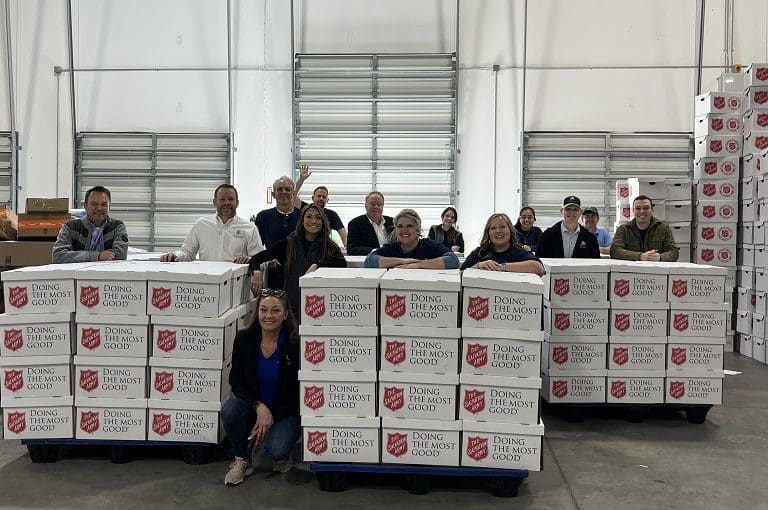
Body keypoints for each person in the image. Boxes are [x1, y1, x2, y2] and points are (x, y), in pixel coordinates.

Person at [220, 289, 300, 485]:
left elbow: (298, 393)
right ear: (257, 312)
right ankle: (242, 459)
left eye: (276, 310)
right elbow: (236, 383)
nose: (268, 316)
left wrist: (271, 417)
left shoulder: (295, 343)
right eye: (263, 310)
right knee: (230, 409)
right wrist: (259, 407)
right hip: (254, 407)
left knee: (276, 450)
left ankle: (281, 452)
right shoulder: (244, 339)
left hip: (285, 412)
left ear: (286, 314)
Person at [248, 204, 346, 318]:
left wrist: (318, 265)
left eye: (318, 217)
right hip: (292, 307)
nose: (313, 221)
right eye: (309, 217)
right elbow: (256, 258)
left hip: (319, 307)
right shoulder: (289, 243)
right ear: (302, 221)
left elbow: (342, 264)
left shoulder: (330, 246)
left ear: (323, 222)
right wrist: (257, 272)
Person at [160, 184, 263, 263]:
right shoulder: (201, 224)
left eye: (231, 199)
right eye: (222, 199)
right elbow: (187, 252)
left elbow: (261, 259)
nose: (226, 202)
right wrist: (175, 256)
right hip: (207, 281)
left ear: (237, 203)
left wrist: (249, 260)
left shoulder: (250, 228)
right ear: (214, 202)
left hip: (236, 282)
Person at [52, 185, 129, 263]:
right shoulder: (70, 227)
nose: (99, 208)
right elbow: (58, 256)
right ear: (85, 206)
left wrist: (77, 257)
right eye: (94, 204)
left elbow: (121, 254)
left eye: (104, 204)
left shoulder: (117, 227)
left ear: (109, 207)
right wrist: (97, 256)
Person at [364, 208, 460, 269]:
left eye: (409, 226)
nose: (404, 230)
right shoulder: (391, 248)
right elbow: (369, 261)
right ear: (395, 230)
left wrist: (418, 264)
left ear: (417, 229)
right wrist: (403, 261)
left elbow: (453, 260)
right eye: (400, 226)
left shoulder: (428, 245)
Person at [460, 213, 545, 275]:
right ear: (488, 233)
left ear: (510, 230)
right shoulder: (479, 253)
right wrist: (478, 266)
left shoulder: (518, 252)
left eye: (502, 227)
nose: (498, 231)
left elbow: (539, 269)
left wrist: (502, 267)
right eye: (493, 228)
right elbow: (461, 273)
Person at [610, 195, 679, 262]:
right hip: (631, 269)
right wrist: (640, 256)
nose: (642, 211)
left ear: (652, 210)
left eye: (646, 208)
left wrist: (660, 257)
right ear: (633, 211)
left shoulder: (663, 228)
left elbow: (674, 252)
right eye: (638, 208)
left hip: (656, 269)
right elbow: (615, 251)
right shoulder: (623, 230)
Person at [292, 166, 348, 247]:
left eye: (324, 197)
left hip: (322, 247)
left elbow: (342, 232)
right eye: (319, 196)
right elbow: (293, 196)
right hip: (302, 245)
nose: (321, 198)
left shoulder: (332, 214)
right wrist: (301, 179)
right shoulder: (304, 208)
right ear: (313, 198)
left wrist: (347, 247)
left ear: (327, 200)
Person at [536, 195, 600, 259]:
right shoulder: (547, 235)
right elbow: (538, 260)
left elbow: (596, 261)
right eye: (568, 209)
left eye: (575, 209)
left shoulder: (590, 238)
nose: (571, 212)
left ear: (581, 212)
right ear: (561, 211)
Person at [346, 191, 394, 255]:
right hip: (370, 259)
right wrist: (377, 251)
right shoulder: (355, 224)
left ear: (383, 206)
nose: (376, 207)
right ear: (366, 206)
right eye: (372, 204)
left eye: (379, 204)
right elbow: (352, 249)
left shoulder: (392, 222)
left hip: (393, 258)